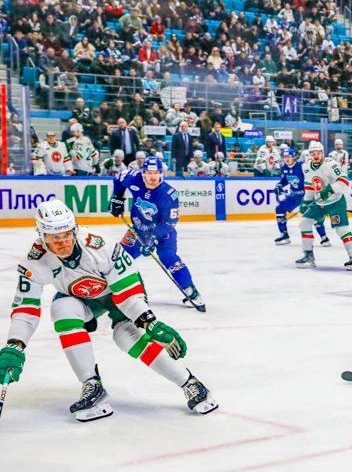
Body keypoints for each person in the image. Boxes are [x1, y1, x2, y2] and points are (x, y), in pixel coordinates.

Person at [0, 199, 216, 421]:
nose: (63, 242)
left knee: (127, 337)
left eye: (66, 234)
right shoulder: (34, 261)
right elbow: (26, 308)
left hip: (120, 293)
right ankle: (92, 385)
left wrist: (150, 323)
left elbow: (127, 294)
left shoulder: (99, 246)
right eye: (54, 237)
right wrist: (14, 345)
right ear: (42, 236)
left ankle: (190, 383)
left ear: (74, 229)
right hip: (81, 298)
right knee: (61, 309)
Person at [110, 157, 207, 313]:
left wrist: (152, 239)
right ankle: (111, 290)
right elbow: (118, 179)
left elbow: (169, 223)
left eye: (156, 173)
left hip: (162, 233)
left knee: (168, 258)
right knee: (120, 258)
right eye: (149, 173)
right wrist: (117, 198)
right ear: (143, 173)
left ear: (162, 173)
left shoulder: (169, 194)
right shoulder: (133, 178)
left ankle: (191, 291)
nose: (153, 177)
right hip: (139, 229)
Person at [293, 142, 352, 271]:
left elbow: (345, 181)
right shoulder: (306, 166)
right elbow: (310, 186)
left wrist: (331, 189)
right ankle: (308, 256)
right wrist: (306, 202)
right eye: (313, 153)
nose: (316, 156)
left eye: (318, 153)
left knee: (341, 229)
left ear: (322, 153)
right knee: (304, 223)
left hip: (336, 201)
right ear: (310, 155)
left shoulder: (331, 164)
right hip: (319, 203)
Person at [273, 146, 328, 246]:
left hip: (307, 196)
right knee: (279, 209)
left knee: (313, 215)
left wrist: (312, 193)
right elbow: (284, 180)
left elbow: (311, 178)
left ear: (293, 157)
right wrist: (279, 186)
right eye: (285, 157)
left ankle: (324, 237)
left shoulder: (302, 166)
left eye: (288, 156)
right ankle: (284, 234)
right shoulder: (284, 168)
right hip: (294, 197)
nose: (286, 159)